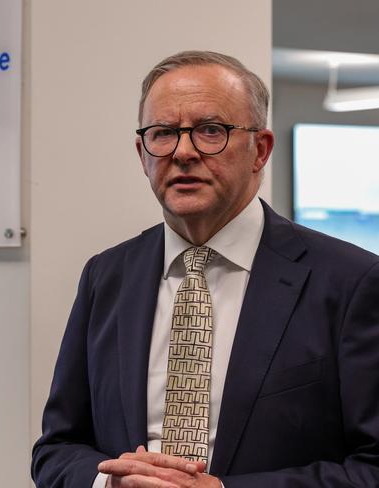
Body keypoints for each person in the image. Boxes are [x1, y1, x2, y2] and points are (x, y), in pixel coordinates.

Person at [31, 51, 379, 488]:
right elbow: (57, 449)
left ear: (260, 150)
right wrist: (111, 483)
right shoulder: (107, 276)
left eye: (210, 131)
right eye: (163, 134)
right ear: (143, 154)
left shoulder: (351, 282)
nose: (183, 152)